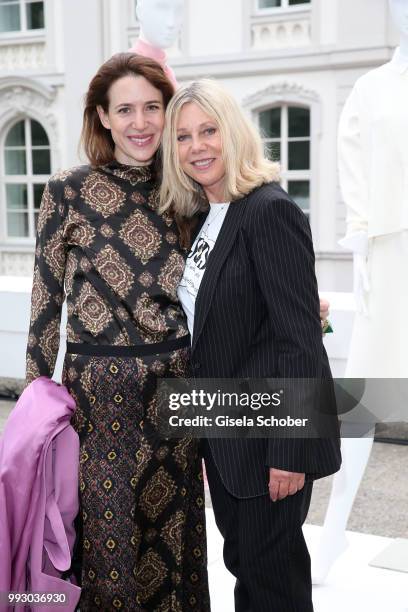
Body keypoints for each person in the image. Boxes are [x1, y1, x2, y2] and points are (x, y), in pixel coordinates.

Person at [25, 53, 210, 611]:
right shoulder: (67, 190)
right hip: (99, 396)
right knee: (108, 546)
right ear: (102, 117)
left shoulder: (191, 189)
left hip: (178, 385)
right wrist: (36, 405)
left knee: (176, 539)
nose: (140, 122)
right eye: (124, 109)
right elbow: (45, 302)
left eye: (152, 107)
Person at [160, 79, 341, 612]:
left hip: (270, 443)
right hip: (225, 436)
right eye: (184, 136)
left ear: (234, 132)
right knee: (248, 567)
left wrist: (289, 452)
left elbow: (298, 339)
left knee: (271, 583)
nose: (198, 147)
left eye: (209, 130)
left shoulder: (268, 210)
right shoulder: (203, 218)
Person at [312, 0, 408, 583]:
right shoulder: (372, 90)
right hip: (390, 248)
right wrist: (363, 242)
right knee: (367, 397)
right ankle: (334, 530)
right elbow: (352, 167)